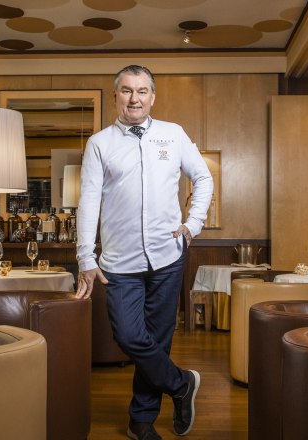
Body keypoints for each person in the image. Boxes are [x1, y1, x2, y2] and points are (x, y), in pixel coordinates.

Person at [75, 65, 213, 439]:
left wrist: (193, 224)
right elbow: (88, 201)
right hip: (119, 262)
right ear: (115, 96)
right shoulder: (99, 143)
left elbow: (203, 178)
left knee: (159, 339)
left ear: (152, 96)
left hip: (168, 256)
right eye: (126, 90)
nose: (134, 98)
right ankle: (181, 384)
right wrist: (85, 256)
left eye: (141, 91)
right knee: (129, 336)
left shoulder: (173, 134)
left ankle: (141, 420)